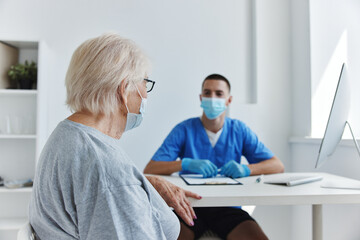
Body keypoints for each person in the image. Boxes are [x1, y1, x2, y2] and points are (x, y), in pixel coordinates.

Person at [29, 33, 200, 240]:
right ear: (124, 88)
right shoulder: (106, 168)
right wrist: (126, 186)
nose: (146, 95)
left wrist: (142, 185)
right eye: (145, 83)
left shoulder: (66, 135)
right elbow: (109, 182)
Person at [144, 74, 285, 240]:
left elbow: (277, 165)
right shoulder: (184, 129)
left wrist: (246, 169)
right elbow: (151, 168)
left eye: (219, 94)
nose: (212, 98)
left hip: (228, 208)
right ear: (200, 97)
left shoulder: (239, 130)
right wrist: (184, 163)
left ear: (229, 100)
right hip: (190, 207)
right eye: (207, 93)